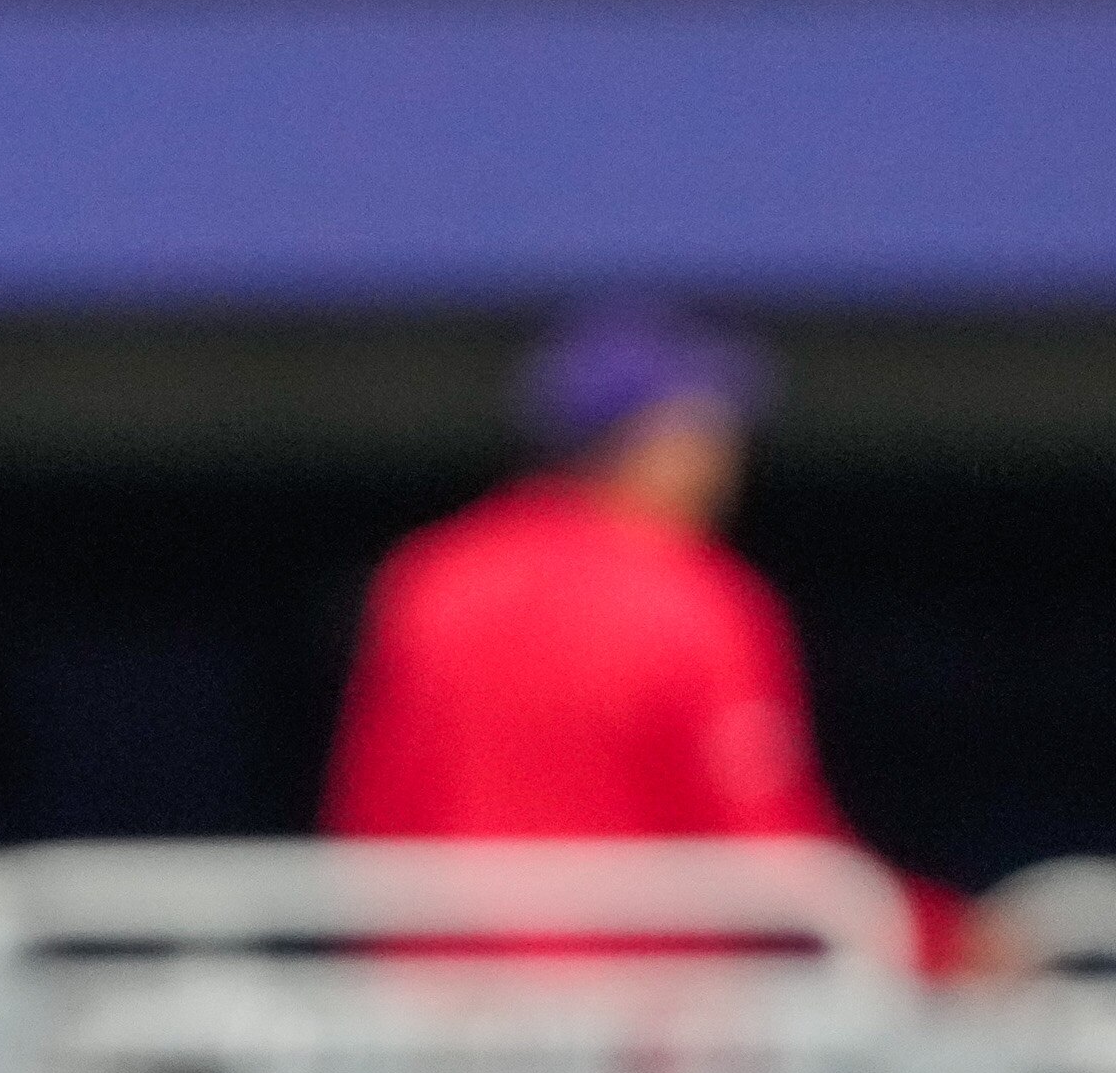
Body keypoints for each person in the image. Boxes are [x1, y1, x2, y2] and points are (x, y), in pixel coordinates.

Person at [323, 300, 970, 971]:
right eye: (707, 433)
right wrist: (942, 940)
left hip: (442, 1029)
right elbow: (770, 852)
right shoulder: (695, 596)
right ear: (655, 439)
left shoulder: (433, 577)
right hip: (640, 1038)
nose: (726, 462)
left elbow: (370, 817)